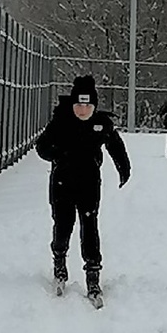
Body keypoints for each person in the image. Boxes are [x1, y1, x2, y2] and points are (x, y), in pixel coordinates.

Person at [35, 75, 131, 303]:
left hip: (89, 184)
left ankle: (93, 273)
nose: (83, 109)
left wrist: (123, 168)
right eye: (79, 104)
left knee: (90, 227)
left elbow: (115, 145)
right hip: (62, 184)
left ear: (94, 105)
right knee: (63, 225)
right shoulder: (61, 122)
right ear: (72, 104)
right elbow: (41, 147)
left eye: (88, 105)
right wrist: (58, 155)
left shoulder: (100, 124)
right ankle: (59, 264)